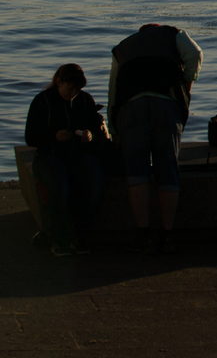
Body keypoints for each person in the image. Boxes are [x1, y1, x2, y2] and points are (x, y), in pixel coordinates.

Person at [108, 23, 202, 254]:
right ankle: (167, 234)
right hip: (166, 103)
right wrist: (187, 81)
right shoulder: (173, 34)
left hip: (130, 107)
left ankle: (143, 234)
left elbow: (113, 90)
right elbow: (195, 54)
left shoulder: (123, 47)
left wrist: (113, 129)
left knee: (137, 173)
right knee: (167, 170)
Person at [24, 64, 108, 256]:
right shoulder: (43, 100)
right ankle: (59, 239)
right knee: (60, 186)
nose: (72, 94)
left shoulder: (85, 100)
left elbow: (97, 131)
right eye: (69, 89)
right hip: (49, 155)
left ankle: (81, 236)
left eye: (77, 90)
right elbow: (30, 137)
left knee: (95, 183)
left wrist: (90, 135)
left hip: (78, 154)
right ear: (59, 82)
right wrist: (54, 137)